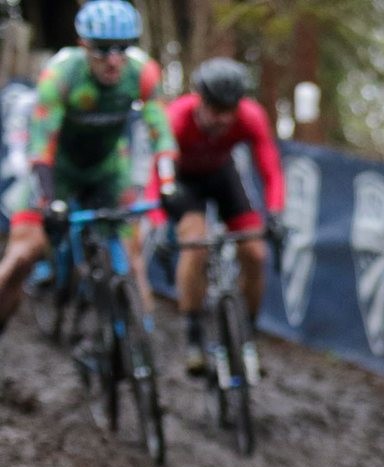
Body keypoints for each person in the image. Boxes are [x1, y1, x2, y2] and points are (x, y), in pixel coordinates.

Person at [0, 0, 176, 340]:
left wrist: (168, 183)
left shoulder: (142, 72)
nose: (114, 60)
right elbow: (40, 147)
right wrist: (50, 199)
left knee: (131, 256)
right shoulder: (62, 74)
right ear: (84, 46)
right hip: (58, 170)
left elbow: (161, 133)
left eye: (123, 49)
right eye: (102, 50)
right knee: (22, 256)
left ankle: (142, 346)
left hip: (108, 168)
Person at [153, 57, 285, 376]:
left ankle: (247, 335)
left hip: (222, 176)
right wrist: (159, 223)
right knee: (195, 245)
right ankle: (194, 337)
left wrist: (276, 212)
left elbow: (270, 169)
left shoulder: (251, 117)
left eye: (230, 110)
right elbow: (159, 173)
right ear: (200, 99)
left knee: (255, 251)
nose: (222, 119)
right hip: (183, 183)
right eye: (215, 109)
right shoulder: (178, 118)